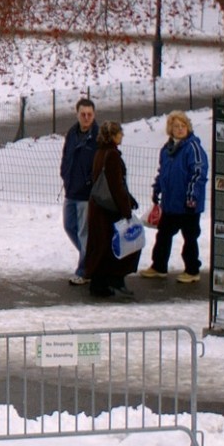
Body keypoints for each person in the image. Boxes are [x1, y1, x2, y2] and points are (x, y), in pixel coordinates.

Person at [146, 111, 208, 282]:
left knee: (189, 237)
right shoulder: (167, 150)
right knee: (164, 234)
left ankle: (192, 270)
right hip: (171, 202)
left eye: (183, 126)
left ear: (188, 127)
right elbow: (163, 172)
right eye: (176, 126)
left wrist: (191, 197)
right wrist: (157, 188)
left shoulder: (193, 148)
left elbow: (198, 174)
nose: (180, 129)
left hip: (188, 204)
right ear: (170, 129)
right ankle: (159, 266)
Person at [84, 120, 138, 300]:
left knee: (100, 246)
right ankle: (112, 280)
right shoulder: (112, 155)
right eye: (119, 133)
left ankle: (99, 284)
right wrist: (127, 209)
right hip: (108, 209)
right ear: (113, 136)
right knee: (113, 246)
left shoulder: (100, 152)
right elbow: (116, 186)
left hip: (98, 206)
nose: (122, 135)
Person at [59, 97, 99, 286]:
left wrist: (91, 182)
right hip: (71, 190)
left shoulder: (97, 136)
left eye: (89, 114)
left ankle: (84, 270)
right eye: (83, 114)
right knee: (69, 226)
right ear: (77, 114)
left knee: (85, 233)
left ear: (94, 115)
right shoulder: (72, 133)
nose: (86, 118)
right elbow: (66, 155)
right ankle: (90, 257)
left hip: (86, 193)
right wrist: (65, 174)